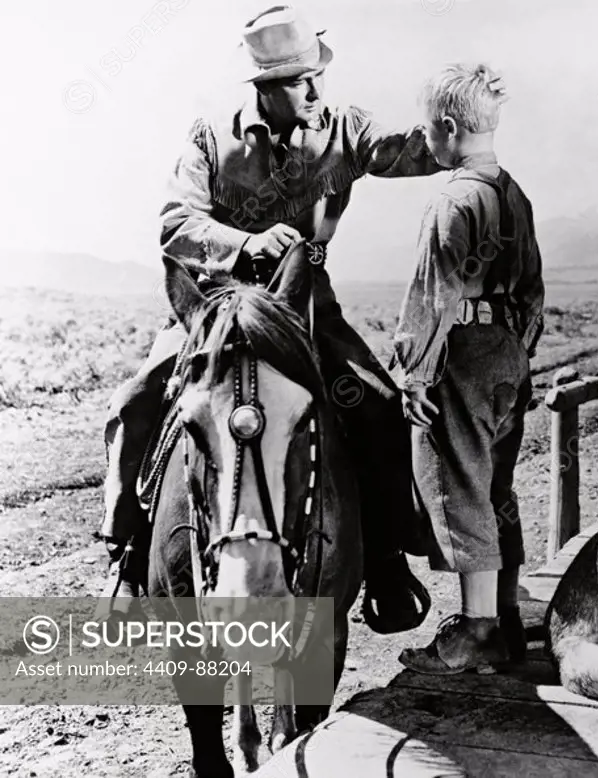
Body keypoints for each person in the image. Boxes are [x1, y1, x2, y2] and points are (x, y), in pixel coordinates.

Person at [97, 5, 444, 633]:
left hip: (305, 304)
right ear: (264, 88)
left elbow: (406, 152)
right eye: (298, 81)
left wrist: (459, 135)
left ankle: (388, 561)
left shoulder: (344, 128)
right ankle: (125, 549)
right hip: (214, 306)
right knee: (138, 400)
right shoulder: (209, 139)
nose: (314, 91)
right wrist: (243, 245)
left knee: (375, 403)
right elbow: (175, 225)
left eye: (315, 77)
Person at [390, 63, 545, 675]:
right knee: (497, 485)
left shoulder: (452, 200)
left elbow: (432, 297)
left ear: (448, 129)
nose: (426, 143)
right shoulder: (514, 193)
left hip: (465, 350)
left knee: (457, 485)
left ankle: (477, 632)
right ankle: (504, 618)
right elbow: (533, 288)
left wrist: (416, 374)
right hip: (508, 348)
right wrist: (519, 348)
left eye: (428, 133)